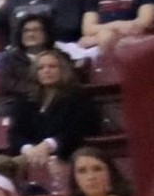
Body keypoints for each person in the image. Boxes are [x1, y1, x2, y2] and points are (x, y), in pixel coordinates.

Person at [7, 49, 99, 179]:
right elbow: (15, 134)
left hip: (67, 154)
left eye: (52, 66)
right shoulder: (25, 101)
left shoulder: (78, 97)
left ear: (62, 70)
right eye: (41, 68)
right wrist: (29, 150)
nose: (46, 70)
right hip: (31, 156)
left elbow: (79, 129)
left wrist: (48, 145)